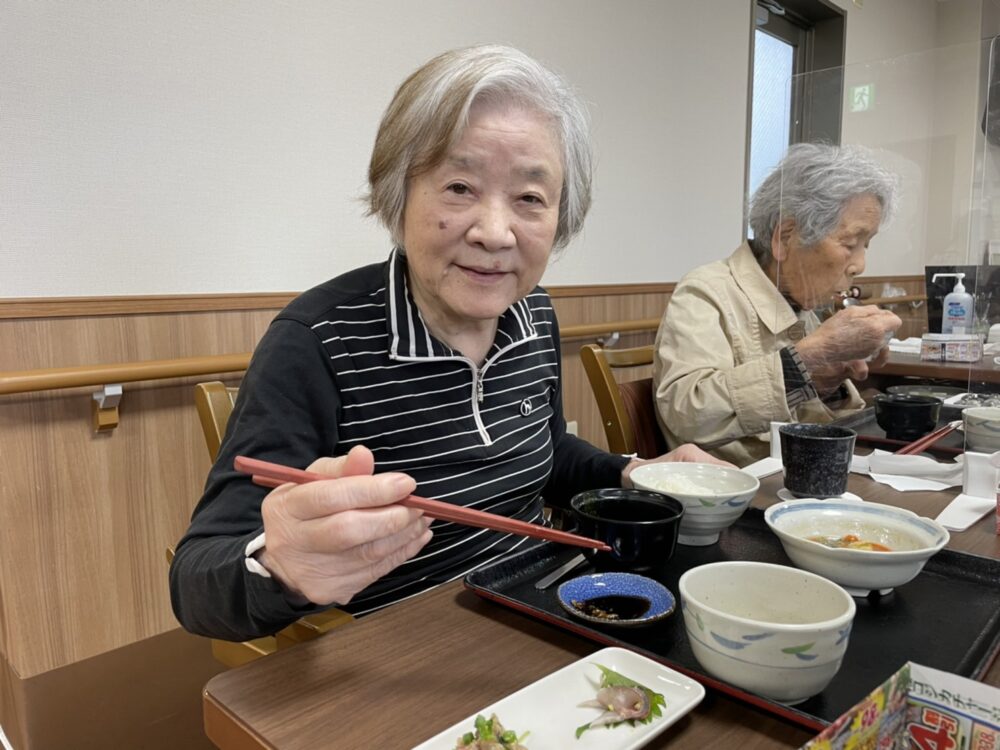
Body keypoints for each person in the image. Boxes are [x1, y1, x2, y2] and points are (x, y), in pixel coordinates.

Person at [170, 44, 722, 642]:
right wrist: (282, 568)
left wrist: (635, 474)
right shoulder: (316, 341)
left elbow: (545, 450)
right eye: (459, 186)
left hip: (544, 614)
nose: (493, 232)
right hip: (405, 659)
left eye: (530, 198)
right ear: (397, 193)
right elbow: (197, 580)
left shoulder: (533, 310)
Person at [652, 142, 902, 467]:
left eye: (865, 245)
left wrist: (830, 384)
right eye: (850, 243)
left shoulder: (801, 306)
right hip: (735, 492)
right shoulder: (707, 291)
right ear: (785, 237)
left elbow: (816, 421)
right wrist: (808, 362)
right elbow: (687, 412)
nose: (860, 265)